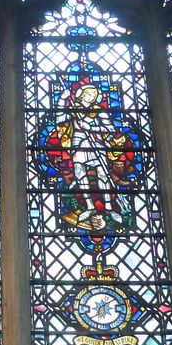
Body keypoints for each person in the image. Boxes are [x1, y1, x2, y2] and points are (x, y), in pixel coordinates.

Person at [52, 82, 131, 233]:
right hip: (78, 143)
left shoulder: (98, 110)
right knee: (81, 175)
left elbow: (110, 128)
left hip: (96, 142)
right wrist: (62, 99)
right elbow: (59, 119)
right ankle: (89, 208)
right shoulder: (74, 110)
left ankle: (109, 208)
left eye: (93, 95)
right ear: (81, 95)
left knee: (103, 174)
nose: (91, 97)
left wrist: (91, 128)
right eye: (88, 94)